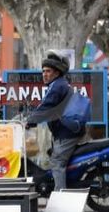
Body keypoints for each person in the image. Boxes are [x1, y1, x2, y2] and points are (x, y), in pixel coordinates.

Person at [27, 52, 86, 191]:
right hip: (66, 130)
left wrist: (30, 121)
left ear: (57, 72)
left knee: (57, 162)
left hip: (68, 132)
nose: (44, 74)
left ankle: (60, 194)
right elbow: (46, 108)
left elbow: (46, 106)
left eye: (48, 71)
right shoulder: (58, 84)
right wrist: (32, 115)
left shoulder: (57, 86)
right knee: (53, 155)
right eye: (43, 71)